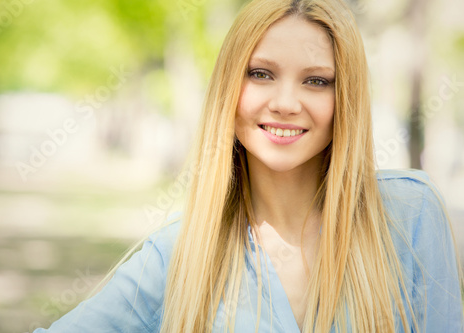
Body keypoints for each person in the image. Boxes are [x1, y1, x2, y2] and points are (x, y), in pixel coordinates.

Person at [33, 0, 464, 332]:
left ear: (344, 100)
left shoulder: (410, 214)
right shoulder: (179, 254)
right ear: (229, 87)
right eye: (261, 74)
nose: (285, 103)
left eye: (316, 81)